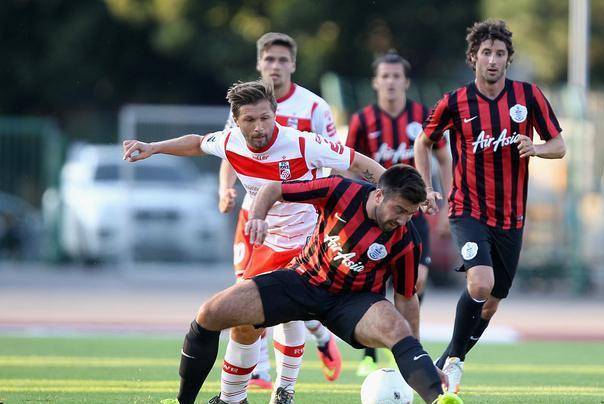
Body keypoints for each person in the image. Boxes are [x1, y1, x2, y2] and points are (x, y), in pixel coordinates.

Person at [123, 79, 385, 404]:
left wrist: (393, 192)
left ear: (276, 114)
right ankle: (234, 399)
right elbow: (196, 142)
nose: (259, 127)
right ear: (236, 120)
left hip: (309, 247)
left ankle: (284, 390)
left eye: (265, 117)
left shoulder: (303, 144)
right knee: (244, 325)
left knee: (288, 315)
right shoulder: (231, 142)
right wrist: (153, 147)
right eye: (250, 119)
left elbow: (360, 163)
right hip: (267, 245)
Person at [167, 164, 459, 404]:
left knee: (397, 329)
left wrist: (418, 354)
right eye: (399, 209)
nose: (403, 219)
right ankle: (186, 402)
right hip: (302, 280)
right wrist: (257, 217)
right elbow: (275, 188)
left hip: (353, 302)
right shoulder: (340, 190)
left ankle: (438, 399)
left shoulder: (407, 240)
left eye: (410, 213)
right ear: (380, 195)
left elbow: (407, 299)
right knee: (210, 313)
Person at [414, 19, 566, 395]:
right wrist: (427, 188)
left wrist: (537, 148)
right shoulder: (454, 102)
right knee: (481, 281)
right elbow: (424, 142)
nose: (493, 60)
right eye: (486, 53)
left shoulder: (529, 97)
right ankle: (453, 363)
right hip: (468, 210)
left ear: (508, 60)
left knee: (491, 303)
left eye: (500, 54)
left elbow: (559, 145)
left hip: (511, 217)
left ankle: (450, 359)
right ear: (473, 58)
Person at [217, 32, 342, 390]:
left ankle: (287, 376)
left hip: (300, 222)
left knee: (288, 301)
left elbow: (334, 157)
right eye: (269, 59)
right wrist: (224, 187)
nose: (275, 66)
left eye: (282, 60)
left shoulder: (314, 107)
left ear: (294, 65)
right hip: (254, 217)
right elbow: (227, 149)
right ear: (259, 63)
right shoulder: (246, 106)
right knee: (246, 294)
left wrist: (318, 201)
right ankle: (261, 373)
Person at [346, 50, 452, 376]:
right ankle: (369, 355)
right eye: (385, 76)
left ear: (405, 81)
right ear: (376, 82)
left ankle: (406, 346)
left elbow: (445, 159)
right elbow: (350, 166)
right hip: (375, 217)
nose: (391, 82)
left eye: (397, 76)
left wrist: (447, 204)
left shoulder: (423, 115)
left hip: (416, 215)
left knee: (416, 281)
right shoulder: (362, 120)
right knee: (372, 280)